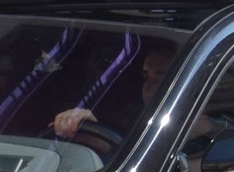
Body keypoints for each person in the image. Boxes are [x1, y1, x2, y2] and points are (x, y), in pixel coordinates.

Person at [50, 39, 181, 154]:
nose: (148, 87)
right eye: (146, 77)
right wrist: (83, 128)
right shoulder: (136, 122)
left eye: (160, 77)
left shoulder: (193, 129)